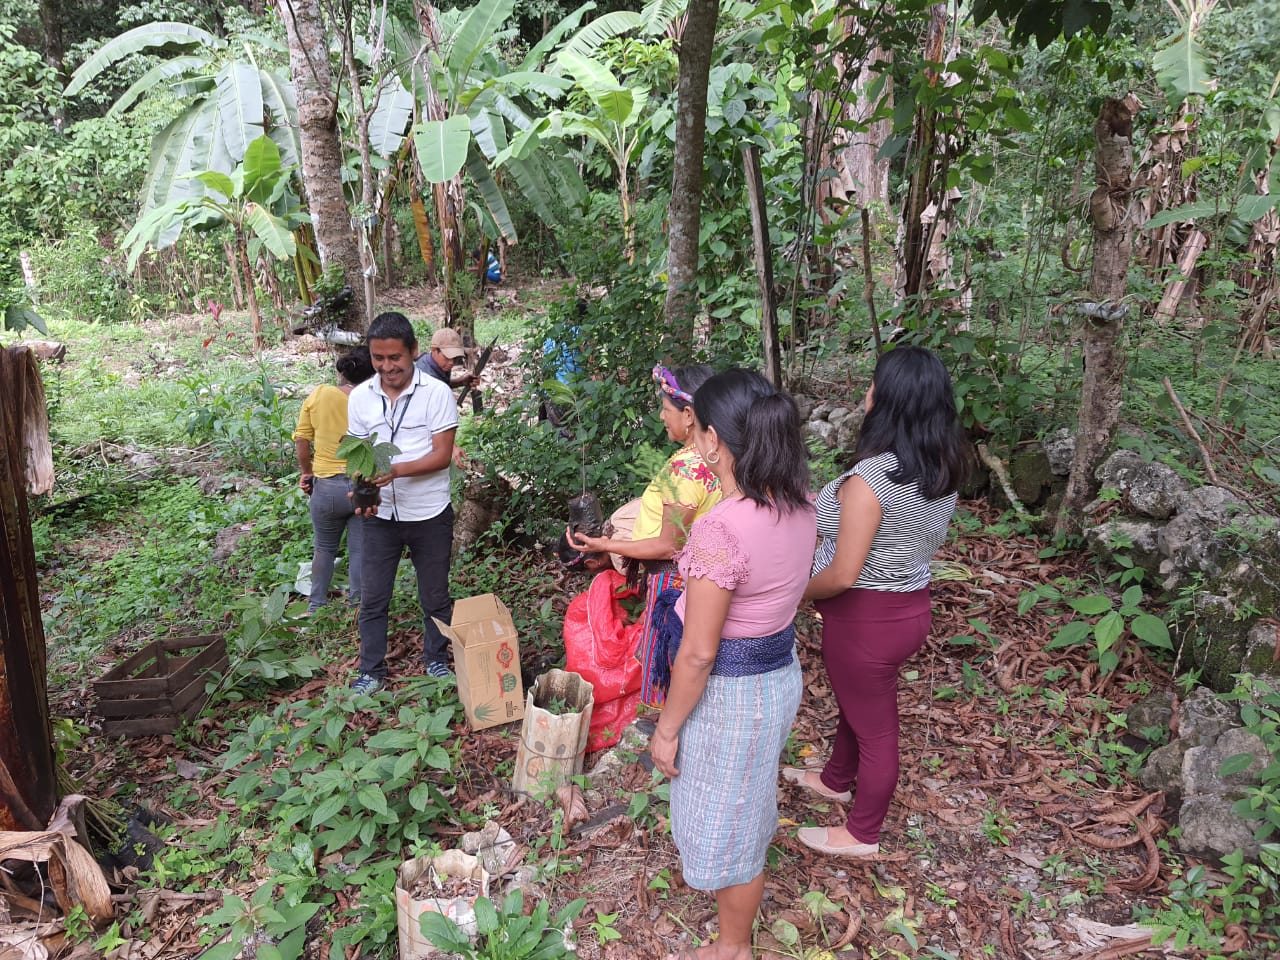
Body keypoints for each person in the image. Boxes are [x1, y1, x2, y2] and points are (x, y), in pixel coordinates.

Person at [648, 369, 816, 960]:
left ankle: (733, 946)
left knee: (731, 817)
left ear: (714, 439)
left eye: (698, 425)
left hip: (731, 693)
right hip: (777, 676)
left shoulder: (722, 528)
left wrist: (666, 730)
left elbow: (698, 651)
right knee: (746, 798)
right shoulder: (801, 506)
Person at [787, 346, 966, 858]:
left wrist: (794, 593)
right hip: (910, 605)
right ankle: (835, 779)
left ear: (888, 401)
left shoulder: (873, 481)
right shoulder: (939, 466)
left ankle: (862, 832)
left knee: (877, 729)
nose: (865, 393)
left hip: (865, 617)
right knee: (861, 704)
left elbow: (843, 572)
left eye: (873, 385)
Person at [567, 364, 721, 706]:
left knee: (666, 670)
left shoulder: (687, 469)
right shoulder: (715, 457)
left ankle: (664, 736)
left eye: (666, 409)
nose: (661, 416)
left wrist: (605, 545)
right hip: (698, 581)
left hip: (674, 586)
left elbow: (669, 545)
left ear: (689, 414)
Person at [346, 312, 459, 693]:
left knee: (435, 595)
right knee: (373, 597)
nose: (387, 367)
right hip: (382, 517)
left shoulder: (437, 393)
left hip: (429, 513)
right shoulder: (360, 397)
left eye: (395, 357)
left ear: (413, 351)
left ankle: (437, 660)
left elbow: (442, 455)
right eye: (378, 358)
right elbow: (359, 455)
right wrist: (361, 489)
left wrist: (395, 470)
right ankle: (371, 671)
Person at [294, 346, 375, 612]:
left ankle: (316, 607)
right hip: (362, 486)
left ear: (341, 371)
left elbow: (302, 439)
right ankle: (358, 607)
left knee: (324, 548)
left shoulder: (321, 394)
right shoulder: (374, 399)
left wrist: (307, 472)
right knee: (360, 551)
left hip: (326, 487)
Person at [416, 327, 475, 467]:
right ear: (434, 350)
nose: (451, 363)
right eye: (448, 357)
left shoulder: (438, 365)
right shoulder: (424, 377)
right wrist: (451, 446)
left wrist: (461, 381)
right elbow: (426, 418)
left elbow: (442, 384)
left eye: (455, 358)